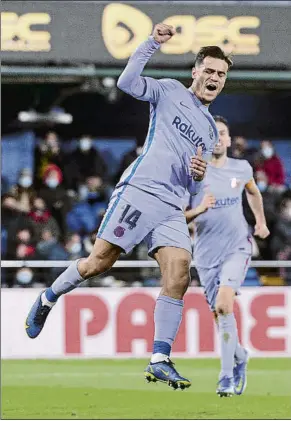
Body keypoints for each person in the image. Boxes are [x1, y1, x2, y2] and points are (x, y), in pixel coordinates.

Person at [26, 23, 230, 390]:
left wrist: (198, 175)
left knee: (180, 273)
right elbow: (126, 83)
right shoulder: (168, 91)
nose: (215, 78)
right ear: (196, 71)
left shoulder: (210, 131)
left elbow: (192, 183)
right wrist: (153, 42)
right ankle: (48, 296)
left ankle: (160, 358)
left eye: (222, 74)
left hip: (171, 204)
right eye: (210, 70)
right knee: (99, 262)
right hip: (140, 190)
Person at [184, 115, 270, 397]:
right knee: (220, 314)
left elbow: (254, 193)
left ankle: (225, 377)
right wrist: (198, 210)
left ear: (229, 140)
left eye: (223, 133)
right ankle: (241, 356)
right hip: (206, 254)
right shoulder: (194, 174)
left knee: (223, 305)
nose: (218, 138)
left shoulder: (242, 167)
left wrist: (260, 222)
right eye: (213, 133)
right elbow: (175, 216)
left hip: (237, 246)